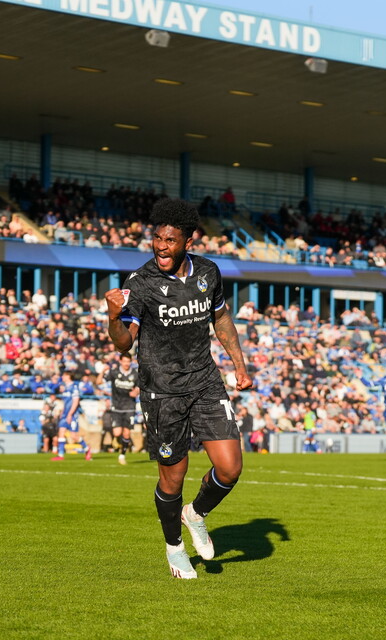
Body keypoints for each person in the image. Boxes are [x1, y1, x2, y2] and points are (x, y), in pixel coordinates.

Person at [105, 198, 253, 580]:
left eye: (169, 240)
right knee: (173, 477)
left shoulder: (208, 272)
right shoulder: (140, 283)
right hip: (162, 390)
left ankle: (195, 514)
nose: (160, 246)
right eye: (156, 238)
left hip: (205, 379)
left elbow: (220, 318)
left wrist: (239, 366)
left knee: (231, 467)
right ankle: (174, 548)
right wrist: (113, 317)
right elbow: (124, 343)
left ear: (188, 240)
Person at [106, 353, 140, 465]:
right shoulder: (114, 372)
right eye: (124, 361)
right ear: (120, 361)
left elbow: (139, 386)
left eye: (128, 361)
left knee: (126, 433)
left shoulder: (135, 374)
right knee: (117, 432)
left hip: (129, 407)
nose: (126, 363)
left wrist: (136, 391)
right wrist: (102, 372)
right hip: (116, 406)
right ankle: (116, 439)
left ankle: (122, 455)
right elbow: (100, 381)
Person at [52, 370, 91, 461]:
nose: (62, 377)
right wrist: (63, 411)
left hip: (72, 414)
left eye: (64, 375)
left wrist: (70, 414)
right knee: (61, 432)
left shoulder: (74, 387)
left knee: (73, 436)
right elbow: (65, 402)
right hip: (65, 414)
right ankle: (60, 455)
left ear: (69, 376)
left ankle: (86, 448)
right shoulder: (65, 387)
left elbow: (75, 401)